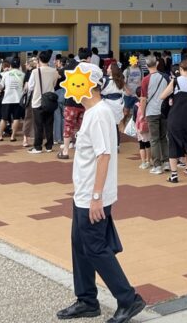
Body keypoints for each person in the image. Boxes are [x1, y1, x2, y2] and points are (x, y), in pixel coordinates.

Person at [56, 62, 146, 323]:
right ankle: (86, 299)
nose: (70, 85)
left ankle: (128, 299)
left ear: (87, 83)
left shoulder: (98, 114)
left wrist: (96, 197)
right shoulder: (94, 112)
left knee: (95, 247)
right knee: (80, 245)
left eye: (74, 80)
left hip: (93, 197)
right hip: (84, 194)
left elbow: (104, 156)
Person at [163, 59, 187, 183]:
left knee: (173, 145)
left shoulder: (176, 81)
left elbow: (162, 95)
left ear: (180, 69)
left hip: (175, 117)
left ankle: (174, 175)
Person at [141, 57, 171, 174]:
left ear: (146, 66)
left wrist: (142, 113)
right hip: (164, 111)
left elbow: (143, 99)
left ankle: (157, 166)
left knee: (154, 139)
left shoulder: (145, 80)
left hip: (151, 112)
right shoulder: (165, 77)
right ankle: (166, 162)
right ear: (157, 64)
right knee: (164, 137)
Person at [28, 50, 59, 154]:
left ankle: (37, 147)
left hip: (38, 101)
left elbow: (30, 86)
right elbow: (54, 85)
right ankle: (49, 146)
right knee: (49, 124)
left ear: (39, 59)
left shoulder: (35, 72)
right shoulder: (54, 71)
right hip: (50, 101)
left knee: (38, 125)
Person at [0, 59, 25, 142]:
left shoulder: (6, 74)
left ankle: (0, 136)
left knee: (4, 118)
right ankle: (12, 136)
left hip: (7, 99)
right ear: (19, 66)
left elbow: (1, 86)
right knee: (16, 118)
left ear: (10, 65)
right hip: (18, 99)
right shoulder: (22, 74)